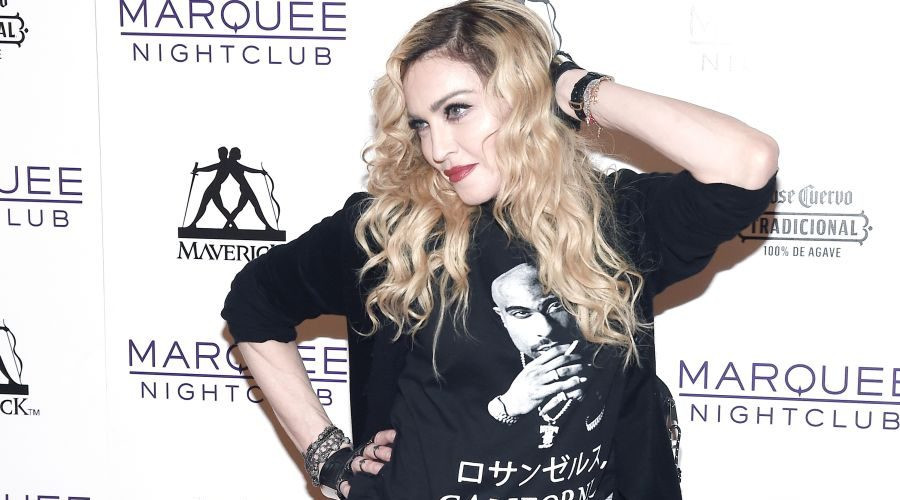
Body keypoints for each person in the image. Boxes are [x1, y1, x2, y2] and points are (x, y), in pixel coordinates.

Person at [221, 1, 779, 499]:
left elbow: (747, 162)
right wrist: (328, 458)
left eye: (457, 110)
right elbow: (254, 303)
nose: (437, 147)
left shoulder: (617, 221)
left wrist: (571, 85)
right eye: (421, 123)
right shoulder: (392, 231)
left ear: (523, 98)